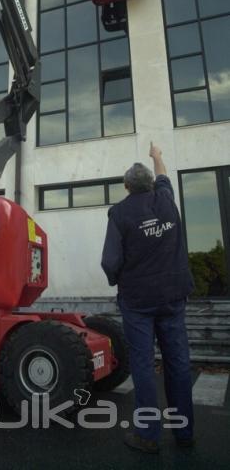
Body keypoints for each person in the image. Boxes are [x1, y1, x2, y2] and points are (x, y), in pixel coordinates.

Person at [101, 142, 195, 454]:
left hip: (138, 301)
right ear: (152, 185)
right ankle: (184, 433)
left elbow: (110, 261)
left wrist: (120, 282)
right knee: (178, 362)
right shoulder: (167, 199)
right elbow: (164, 175)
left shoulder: (119, 213)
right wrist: (157, 156)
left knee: (142, 364)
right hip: (172, 297)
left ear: (127, 187)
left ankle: (148, 435)